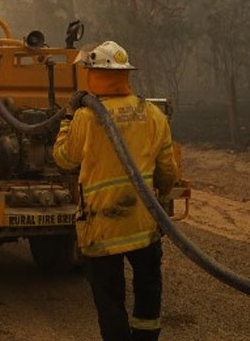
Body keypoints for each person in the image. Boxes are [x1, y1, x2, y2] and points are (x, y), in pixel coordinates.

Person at [52, 41, 179, 341]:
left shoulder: (86, 117)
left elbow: (63, 159)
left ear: (94, 75)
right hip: (143, 223)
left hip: (102, 225)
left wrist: (68, 118)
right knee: (148, 288)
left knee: (110, 300)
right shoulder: (151, 114)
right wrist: (158, 199)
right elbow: (167, 171)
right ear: (125, 75)